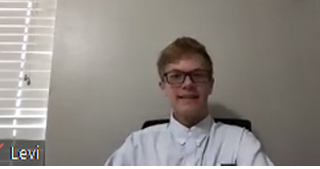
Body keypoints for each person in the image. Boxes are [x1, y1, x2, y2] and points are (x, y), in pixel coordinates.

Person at [107, 37, 272, 165]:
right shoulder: (138, 146)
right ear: (163, 86)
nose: (187, 84)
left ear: (210, 85)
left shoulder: (241, 142)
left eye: (198, 75)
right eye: (176, 76)